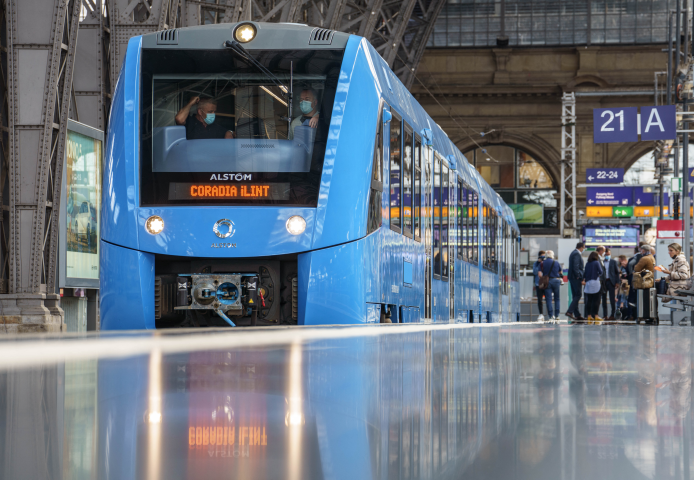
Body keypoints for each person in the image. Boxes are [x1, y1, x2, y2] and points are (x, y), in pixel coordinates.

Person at [566, 242, 586, 320]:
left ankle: (577, 314)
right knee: (578, 295)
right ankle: (570, 311)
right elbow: (576, 266)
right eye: (583, 248)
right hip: (575, 278)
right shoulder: (576, 254)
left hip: (573, 277)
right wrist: (578, 276)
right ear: (581, 247)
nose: (583, 249)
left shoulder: (573, 253)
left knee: (575, 296)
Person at [541, 250, 563, 322]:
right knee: (557, 298)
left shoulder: (542, 263)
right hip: (556, 281)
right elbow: (560, 272)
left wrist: (543, 278)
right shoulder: (556, 262)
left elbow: (539, 273)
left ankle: (550, 316)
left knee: (549, 299)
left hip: (547, 282)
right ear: (552, 255)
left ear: (546, 255)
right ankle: (557, 315)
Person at [584, 251, 604, 322]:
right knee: (596, 300)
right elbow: (601, 272)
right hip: (595, 282)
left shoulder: (587, 263)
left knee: (589, 300)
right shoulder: (596, 262)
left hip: (588, 283)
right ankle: (596, 315)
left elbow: (584, 273)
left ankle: (589, 316)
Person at [604, 248, 620, 320]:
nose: (607, 256)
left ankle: (612, 314)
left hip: (611, 282)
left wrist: (617, 282)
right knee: (603, 299)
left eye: (609, 254)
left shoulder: (613, 262)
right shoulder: (602, 262)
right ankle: (605, 315)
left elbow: (617, 272)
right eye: (606, 255)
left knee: (612, 299)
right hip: (604, 282)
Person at [533, 251, 547, 321]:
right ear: (539, 257)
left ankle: (550, 314)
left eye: (544, 256)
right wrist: (539, 263)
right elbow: (535, 272)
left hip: (546, 283)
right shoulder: (536, 263)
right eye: (542, 256)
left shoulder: (546, 263)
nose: (543, 258)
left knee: (548, 299)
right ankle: (541, 314)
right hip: (538, 284)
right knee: (540, 300)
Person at [596, 245, 609, 319]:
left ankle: (603, 315)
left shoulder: (600, 259)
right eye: (604, 251)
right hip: (599, 282)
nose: (604, 253)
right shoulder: (597, 259)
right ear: (600, 251)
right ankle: (595, 314)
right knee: (597, 299)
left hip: (602, 282)